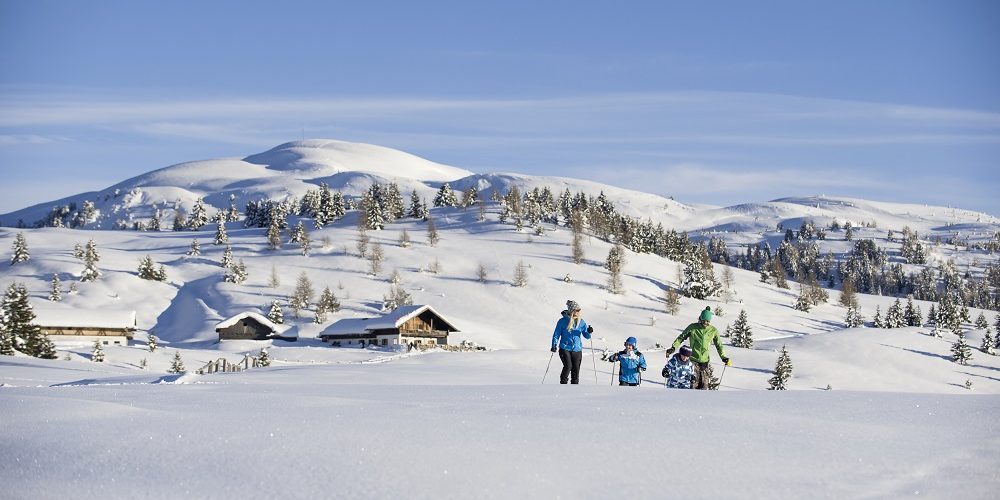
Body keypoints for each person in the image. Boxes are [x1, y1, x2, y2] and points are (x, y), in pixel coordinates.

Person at [665, 306, 730, 390]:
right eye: (704, 320)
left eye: (707, 321)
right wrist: (673, 347)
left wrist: (723, 357)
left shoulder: (713, 330)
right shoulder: (693, 327)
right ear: (700, 319)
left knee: (704, 386)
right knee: (693, 384)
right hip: (692, 360)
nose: (705, 323)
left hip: (704, 362)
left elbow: (719, 345)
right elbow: (681, 337)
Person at [551, 300, 592, 384]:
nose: (579, 312)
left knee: (576, 371)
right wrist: (554, 345)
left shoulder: (581, 322)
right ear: (572, 311)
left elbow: (587, 336)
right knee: (568, 366)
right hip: (565, 348)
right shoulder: (562, 321)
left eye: (579, 310)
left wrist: (589, 332)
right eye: (577, 310)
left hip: (577, 350)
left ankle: (574, 390)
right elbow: (556, 334)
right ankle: (563, 384)